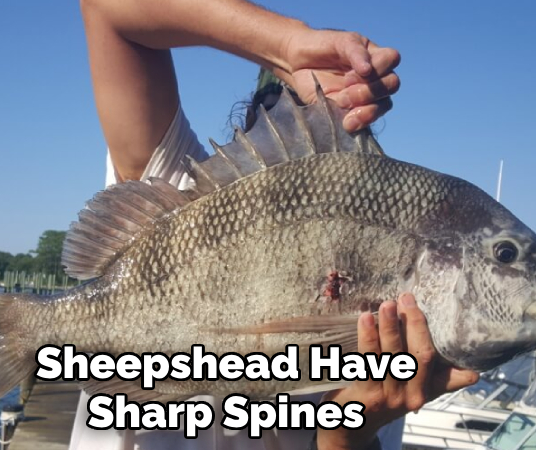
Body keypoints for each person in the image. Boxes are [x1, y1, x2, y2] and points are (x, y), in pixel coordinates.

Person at [71, 1, 480, 449]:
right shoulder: (183, 196)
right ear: (249, 126)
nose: (305, 123)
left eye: (332, 121)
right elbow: (108, 10)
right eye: (280, 110)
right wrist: (286, 46)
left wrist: (347, 427)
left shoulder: (392, 323)